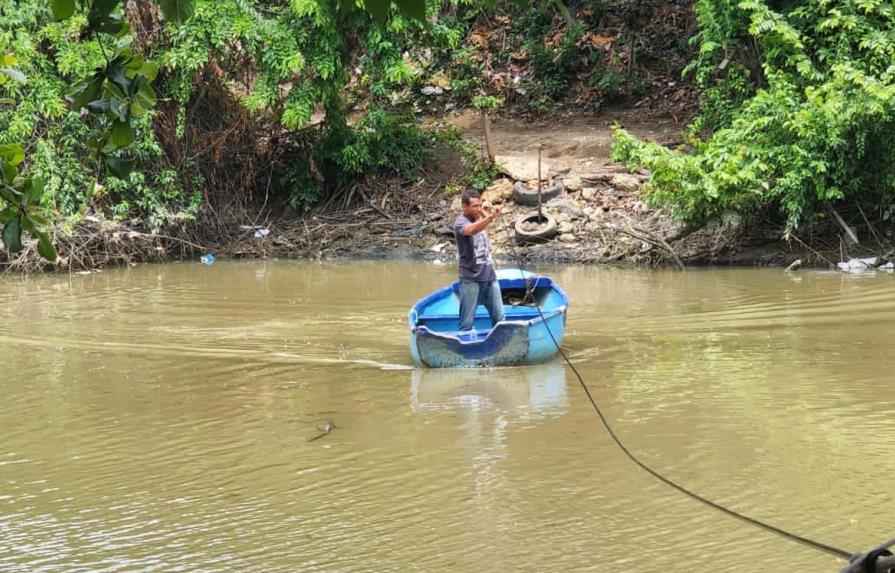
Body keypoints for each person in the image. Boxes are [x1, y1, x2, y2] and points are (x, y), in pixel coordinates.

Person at [454, 188, 505, 331]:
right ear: (464, 206)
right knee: (466, 323)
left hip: (489, 276)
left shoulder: (480, 218)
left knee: (500, 318)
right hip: (470, 278)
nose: (478, 208)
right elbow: (471, 230)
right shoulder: (460, 222)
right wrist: (489, 217)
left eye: (479, 204)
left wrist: (485, 212)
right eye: (474, 206)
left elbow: (484, 230)